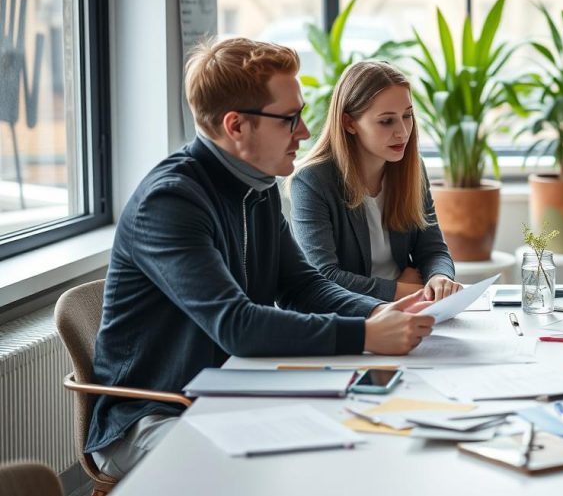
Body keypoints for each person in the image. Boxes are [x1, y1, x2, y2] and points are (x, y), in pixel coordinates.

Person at [85, 39, 435, 479]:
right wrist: (366, 332)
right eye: (290, 119)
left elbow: (301, 285)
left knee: (364, 442)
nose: (305, 132)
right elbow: (237, 326)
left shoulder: (259, 187)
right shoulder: (171, 201)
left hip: (231, 390)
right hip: (155, 414)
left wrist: (384, 311)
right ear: (236, 126)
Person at [290, 60, 462, 302]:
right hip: (355, 318)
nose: (402, 131)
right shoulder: (312, 181)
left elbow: (432, 250)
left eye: (407, 116)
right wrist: (404, 290)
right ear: (349, 123)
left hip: (413, 308)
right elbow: (324, 277)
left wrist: (438, 279)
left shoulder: (412, 169)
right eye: (386, 121)